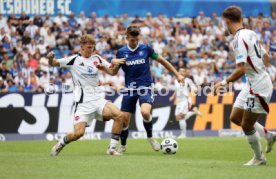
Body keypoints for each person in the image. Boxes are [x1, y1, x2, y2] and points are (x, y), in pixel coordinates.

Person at [213, 6, 276, 166]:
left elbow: (240, 69)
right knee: (235, 117)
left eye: (224, 23)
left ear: (227, 21)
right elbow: (266, 58)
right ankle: (268, 135)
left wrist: (223, 83)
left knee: (246, 124)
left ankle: (259, 158)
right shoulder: (250, 33)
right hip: (253, 82)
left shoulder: (238, 39)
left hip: (258, 85)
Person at [47, 34, 124, 156]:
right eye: (89, 47)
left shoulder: (97, 58)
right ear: (81, 47)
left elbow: (112, 72)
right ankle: (61, 143)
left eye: (93, 47)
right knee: (78, 133)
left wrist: (116, 65)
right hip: (83, 103)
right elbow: (54, 63)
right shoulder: (73, 60)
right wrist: (51, 58)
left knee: (119, 116)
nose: (91, 49)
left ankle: (112, 149)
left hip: (98, 99)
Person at [111, 26, 184, 153]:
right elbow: (112, 72)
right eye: (132, 40)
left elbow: (162, 61)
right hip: (130, 88)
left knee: (145, 112)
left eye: (137, 39)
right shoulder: (121, 52)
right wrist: (112, 62)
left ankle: (150, 138)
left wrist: (177, 74)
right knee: (124, 118)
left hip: (146, 86)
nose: (135, 42)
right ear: (126, 38)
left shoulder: (146, 48)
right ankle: (123, 145)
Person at [169, 68, 201, 138]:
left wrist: (195, 90)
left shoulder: (188, 80)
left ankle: (183, 135)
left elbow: (194, 89)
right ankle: (193, 111)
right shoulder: (175, 81)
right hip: (179, 101)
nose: (181, 72)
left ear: (185, 73)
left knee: (181, 116)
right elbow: (176, 90)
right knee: (178, 117)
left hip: (185, 100)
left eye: (183, 71)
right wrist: (172, 96)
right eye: (180, 71)